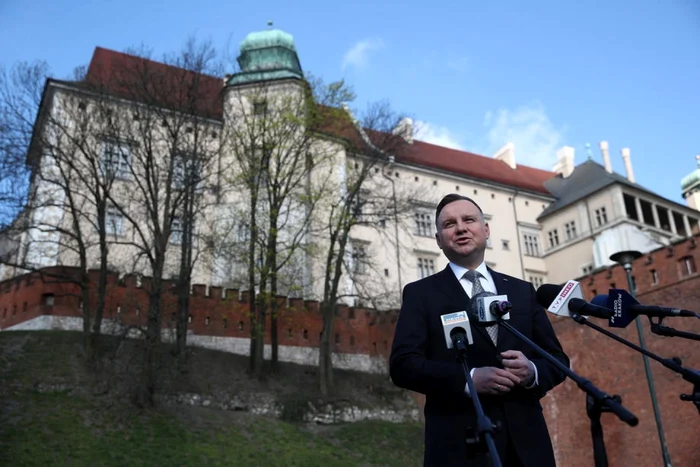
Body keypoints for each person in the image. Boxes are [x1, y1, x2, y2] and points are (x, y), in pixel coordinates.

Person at [389, 193, 569, 467]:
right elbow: (403, 365)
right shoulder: (421, 294)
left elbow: (557, 361)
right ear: (438, 240)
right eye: (449, 224)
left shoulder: (521, 291)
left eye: (469, 220)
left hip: (528, 447)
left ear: (485, 230)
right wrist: (468, 379)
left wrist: (531, 372)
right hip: (460, 446)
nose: (460, 227)